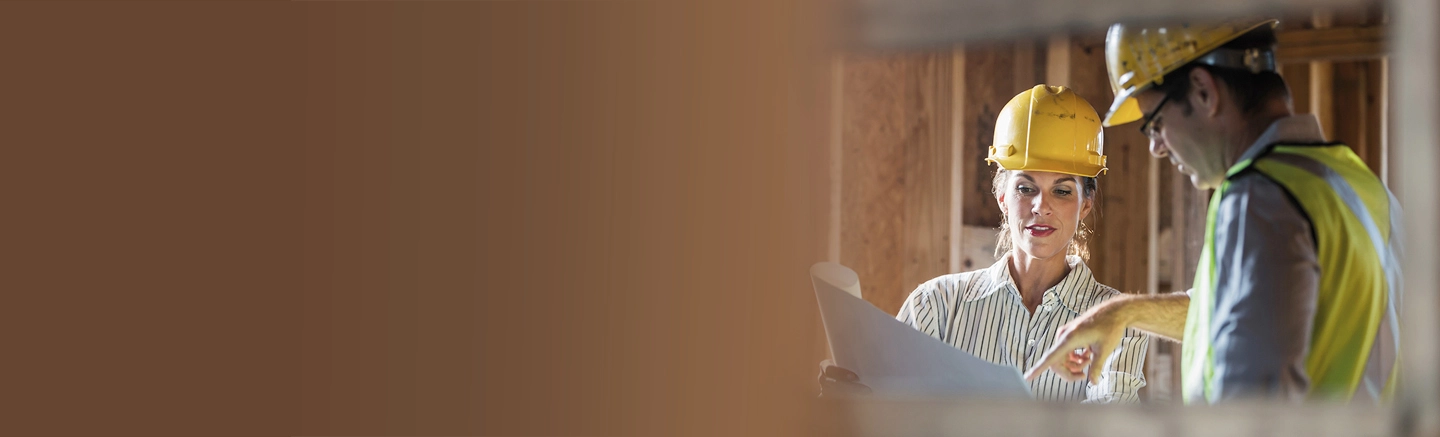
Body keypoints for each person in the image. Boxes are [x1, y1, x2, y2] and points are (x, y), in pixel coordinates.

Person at [1024, 19, 1402, 404]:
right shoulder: (1363, 188)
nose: (1156, 147)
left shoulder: (1260, 197)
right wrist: (1124, 312)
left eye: (1155, 123)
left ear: (1204, 91)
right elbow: (1254, 311)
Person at [820, 84, 1148, 403]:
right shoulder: (934, 307)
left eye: (1062, 191)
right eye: (1026, 188)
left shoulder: (1117, 321)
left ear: (1085, 205)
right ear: (1003, 196)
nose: (1040, 206)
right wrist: (853, 409)